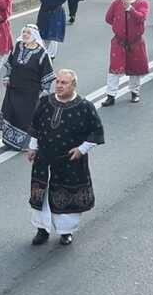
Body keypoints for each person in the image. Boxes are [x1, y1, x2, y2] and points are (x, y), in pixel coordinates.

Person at [26, 69, 104, 247]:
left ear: (73, 85)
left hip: (70, 161)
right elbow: (36, 126)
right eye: (58, 82)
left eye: (64, 83)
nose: (59, 86)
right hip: (44, 158)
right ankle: (42, 229)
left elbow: (96, 131)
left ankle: (65, 232)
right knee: (42, 194)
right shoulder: (45, 102)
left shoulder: (84, 106)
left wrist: (82, 149)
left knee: (66, 196)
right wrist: (32, 147)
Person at [0, 25, 54, 151]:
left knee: (25, 117)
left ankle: (24, 144)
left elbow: (47, 74)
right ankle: (9, 141)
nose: (25, 35)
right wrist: (7, 77)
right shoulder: (18, 46)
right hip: (13, 88)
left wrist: (44, 91)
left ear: (34, 35)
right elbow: (10, 64)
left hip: (30, 93)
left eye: (28, 33)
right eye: (24, 32)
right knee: (10, 113)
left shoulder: (42, 54)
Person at [102, 0, 150, 107]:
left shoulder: (143, 3)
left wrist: (130, 9)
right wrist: (119, 26)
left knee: (135, 69)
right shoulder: (117, 3)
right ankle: (110, 95)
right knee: (114, 69)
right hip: (119, 42)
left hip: (135, 42)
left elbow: (142, 17)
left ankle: (135, 92)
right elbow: (108, 18)